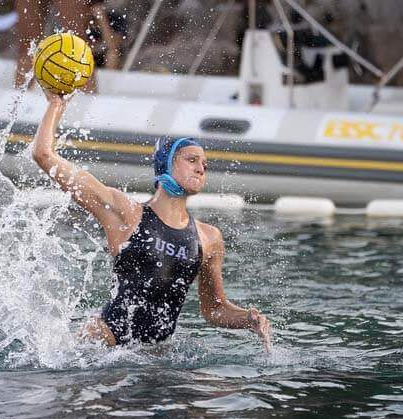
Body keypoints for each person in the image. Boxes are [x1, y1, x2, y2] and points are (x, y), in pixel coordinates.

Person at [32, 91, 272, 351]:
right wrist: (57, 104)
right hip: (103, 346)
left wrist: (248, 320)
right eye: (191, 160)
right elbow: (44, 155)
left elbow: (213, 309)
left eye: (205, 164)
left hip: (156, 357)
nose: (201, 168)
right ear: (166, 165)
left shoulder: (209, 238)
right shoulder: (126, 213)